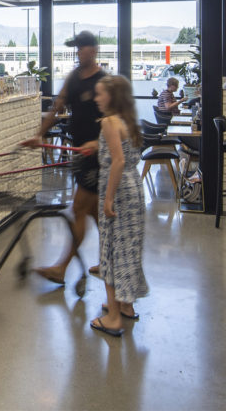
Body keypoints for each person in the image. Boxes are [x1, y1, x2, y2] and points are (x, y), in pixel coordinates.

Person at [22, 30, 104, 285]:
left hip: (97, 156)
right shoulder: (73, 78)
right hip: (80, 153)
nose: (78, 52)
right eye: (76, 48)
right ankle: (111, 260)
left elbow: (114, 120)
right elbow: (56, 109)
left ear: (93, 50)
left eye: (82, 47)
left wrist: (100, 144)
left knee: (80, 208)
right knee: (95, 214)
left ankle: (61, 268)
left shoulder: (104, 81)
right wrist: (39, 135)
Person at [88, 75, 148, 337]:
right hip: (135, 188)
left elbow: (118, 161)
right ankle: (125, 304)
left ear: (112, 97)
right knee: (129, 248)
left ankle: (112, 318)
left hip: (118, 190)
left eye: (100, 94)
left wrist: (109, 198)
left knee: (110, 252)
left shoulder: (109, 122)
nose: (96, 99)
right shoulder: (128, 121)